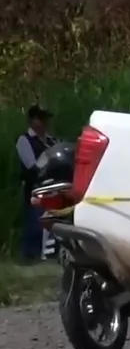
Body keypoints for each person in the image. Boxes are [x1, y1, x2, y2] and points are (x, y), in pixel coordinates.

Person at [16, 105, 58, 262]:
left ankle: (50, 253)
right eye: (40, 118)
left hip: (53, 187)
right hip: (35, 188)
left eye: (45, 118)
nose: (44, 122)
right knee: (34, 222)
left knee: (52, 222)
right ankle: (30, 255)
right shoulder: (24, 140)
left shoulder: (51, 140)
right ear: (31, 120)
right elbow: (31, 166)